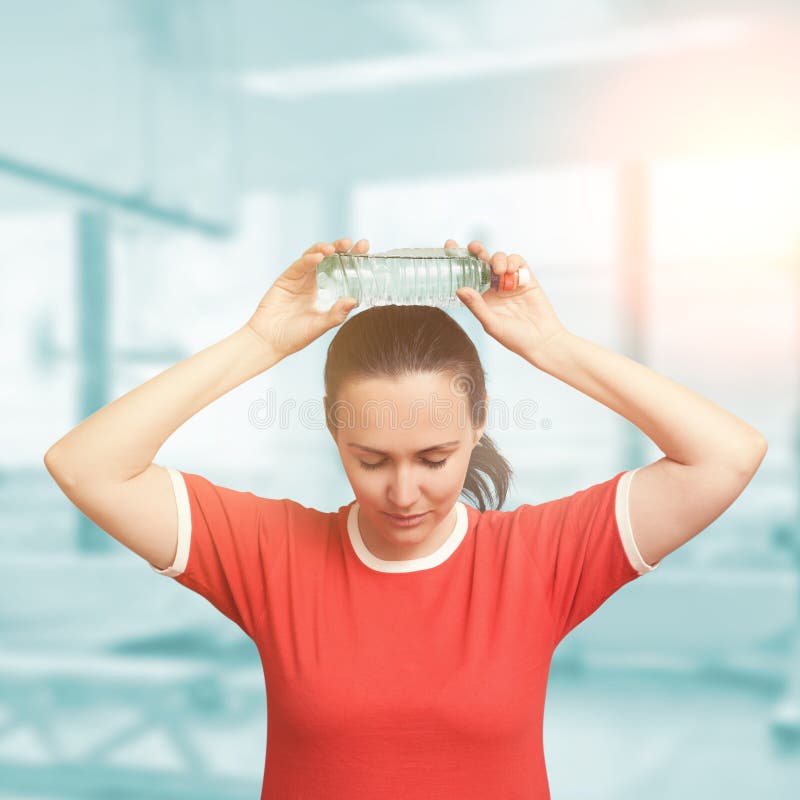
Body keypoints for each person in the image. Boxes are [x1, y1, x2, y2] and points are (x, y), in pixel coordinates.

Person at [44, 236, 768, 799]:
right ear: (333, 432)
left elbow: (727, 455)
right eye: (370, 459)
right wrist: (260, 342)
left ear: (479, 425)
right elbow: (87, 465)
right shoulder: (273, 553)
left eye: (434, 457)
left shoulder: (539, 559)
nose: (402, 492)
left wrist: (552, 346)